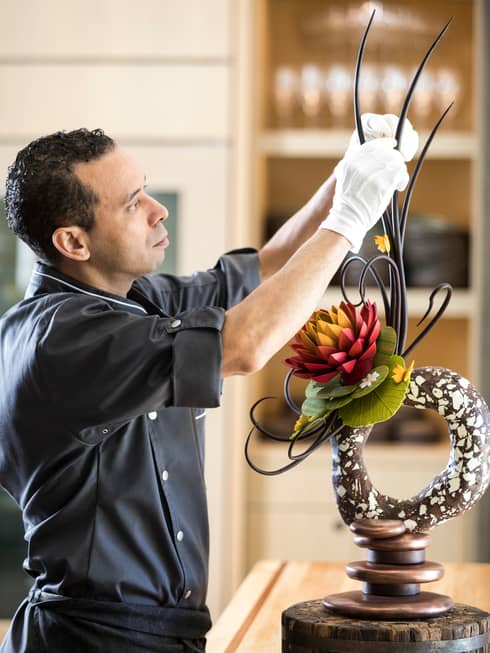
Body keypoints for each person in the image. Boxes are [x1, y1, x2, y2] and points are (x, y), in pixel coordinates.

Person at [0, 118, 413, 652]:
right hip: (94, 640)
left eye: (146, 188)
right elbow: (242, 346)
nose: (157, 209)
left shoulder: (130, 298)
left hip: (161, 634)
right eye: (132, 203)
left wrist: (345, 174)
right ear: (73, 241)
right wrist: (349, 219)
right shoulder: (61, 340)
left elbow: (263, 272)